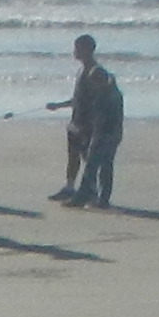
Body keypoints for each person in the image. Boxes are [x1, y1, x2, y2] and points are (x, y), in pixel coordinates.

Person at [67, 35, 123, 210]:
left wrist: (92, 129)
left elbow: (101, 112)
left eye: (77, 48)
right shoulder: (94, 76)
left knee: (95, 165)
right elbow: (80, 101)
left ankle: (88, 196)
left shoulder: (98, 77)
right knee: (101, 165)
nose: (74, 51)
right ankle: (99, 198)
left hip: (102, 131)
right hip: (101, 130)